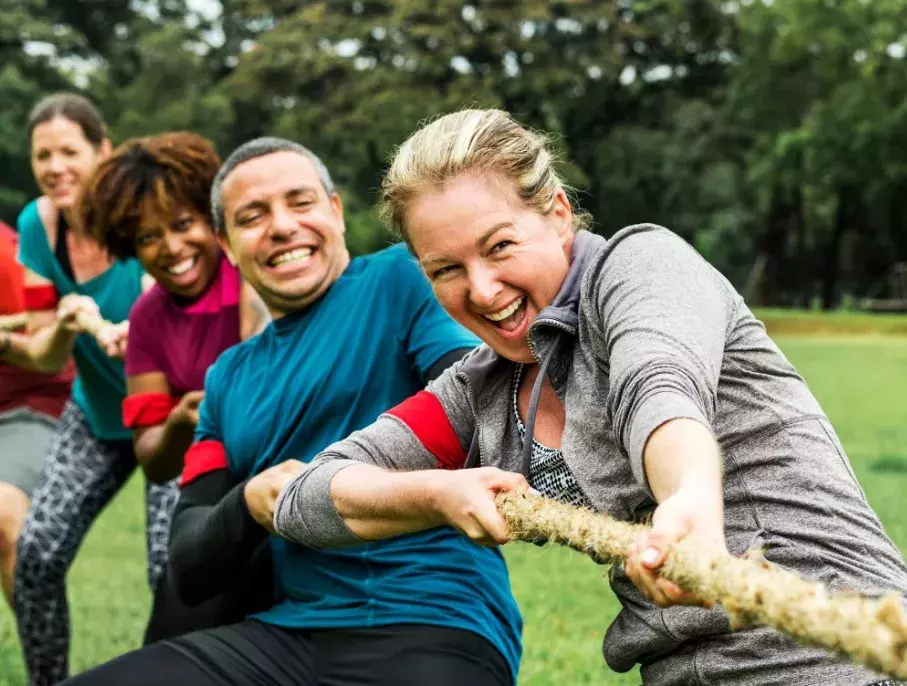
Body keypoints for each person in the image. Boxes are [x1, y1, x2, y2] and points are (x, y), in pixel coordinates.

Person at [272, 109, 907, 686]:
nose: (485, 289)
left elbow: (658, 388)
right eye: (447, 269)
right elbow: (309, 497)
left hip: (840, 659)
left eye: (499, 247)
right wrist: (437, 495)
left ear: (556, 214)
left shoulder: (640, 270)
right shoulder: (480, 389)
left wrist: (689, 498)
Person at [63, 137, 521, 686]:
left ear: (335, 211)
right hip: (285, 638)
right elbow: (188, 564)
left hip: (435, 621)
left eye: (300, 203)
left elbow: (477, 404)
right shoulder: (228, 378)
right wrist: (250, 503)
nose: (281, 226)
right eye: (252, 216)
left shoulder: (400, 279)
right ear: (226, 246)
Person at [77, 130, 270, 643]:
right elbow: (153, 459)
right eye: (147, 237)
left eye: (183, 224)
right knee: (172, 634)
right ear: (128, 246)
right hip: (212, 481)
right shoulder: (146, 320)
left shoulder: (249, 270)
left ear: (212, 219)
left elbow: (265, 358)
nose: (171, 248)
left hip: (285, 474)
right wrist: (182, 421)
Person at [0, 92, 163, 686]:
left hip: (170, 416)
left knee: (169, 570)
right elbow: (46, 355)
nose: (55, 166)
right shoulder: (38, 225)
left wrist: (140, 330)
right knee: (36, 557)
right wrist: (20, 339)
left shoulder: (144, 217)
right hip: (96, 414)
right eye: (43, 155)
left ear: (104, 151)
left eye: (70, 151)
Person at [0, 221, 74, 608]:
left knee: (4, 515)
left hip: (27, 404)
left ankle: (46, 667)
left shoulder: (7, 254)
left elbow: (46, 349)